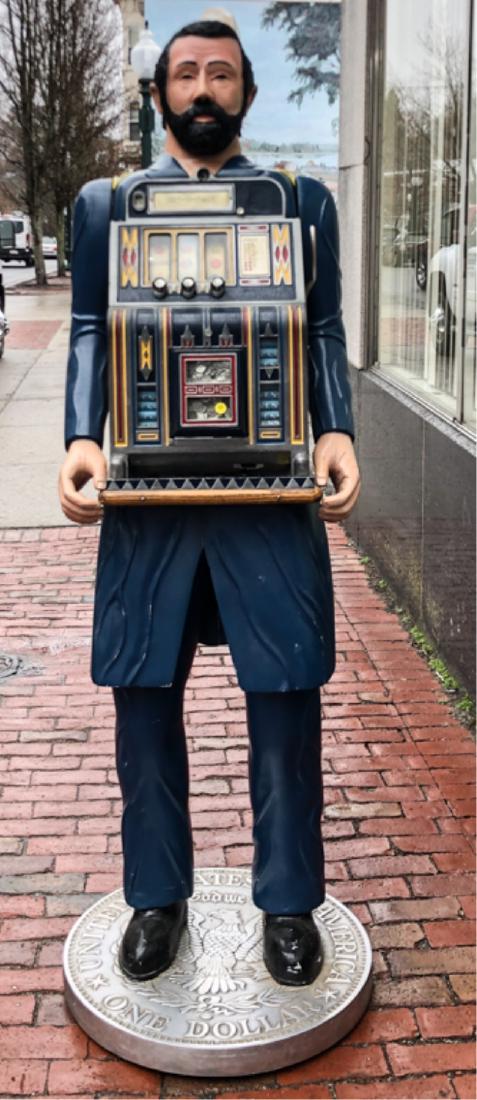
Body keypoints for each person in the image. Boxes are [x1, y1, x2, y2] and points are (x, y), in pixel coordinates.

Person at [58, 17, 360, 988]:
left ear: (245, 94)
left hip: (267, 494)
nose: (202, 88)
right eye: (184, 73)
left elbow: (321, 327)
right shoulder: (107, 207)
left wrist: (336, 428)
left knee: (285, 697)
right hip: (149, 499)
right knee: (143, 697)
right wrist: (80, 437)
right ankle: (156, 895)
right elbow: (89, 326)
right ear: (158, 93)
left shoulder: (301, 203)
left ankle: (289, 901)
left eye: (220, 74)